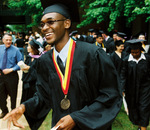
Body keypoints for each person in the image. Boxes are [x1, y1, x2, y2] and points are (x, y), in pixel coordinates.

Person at [3, 0, 122, 130]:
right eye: (42, 24)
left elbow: (110, 95)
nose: (44, 28)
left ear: (67, 23)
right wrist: (23, 107)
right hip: (59, 125)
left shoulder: (92, 54)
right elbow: (43, 95)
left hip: (90, 125)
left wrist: (76, 118)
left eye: (50, 22)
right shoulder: (45, 61)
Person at [120, 39, 150, 130]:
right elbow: (122, 75)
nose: (134, 54)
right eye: (132, 52)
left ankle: (143, 128)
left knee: (144, 108)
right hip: (131, 89)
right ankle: (140, 127)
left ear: (140, 50)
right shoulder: (126, 60)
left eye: (136, 52)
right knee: (134, 108)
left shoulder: (147, 59)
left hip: (145, 88)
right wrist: (122, 88)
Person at [20, 38, 43, 128]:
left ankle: (34, 119)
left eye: (29, 46)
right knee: (25, 100)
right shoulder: (29, 57)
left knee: (33, 101)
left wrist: (29, 69)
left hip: (34, 84)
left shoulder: (40, 59)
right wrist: (24, 68)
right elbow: (26, 69)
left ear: (34, 48)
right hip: (26, 82)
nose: (27, 47)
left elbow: (39, 73)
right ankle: (28, 116)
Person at [0, 33, 22, 119]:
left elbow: (20, 63)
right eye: (7, 40)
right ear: (3, 40)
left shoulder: (16, 50)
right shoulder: (0, 48)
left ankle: (13, 112)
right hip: (1, 76)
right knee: (1, 95)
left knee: (13, 95)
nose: (9, 41)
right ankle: (4, 111)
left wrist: (11, 69)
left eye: (10, 40)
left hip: (12, 75)